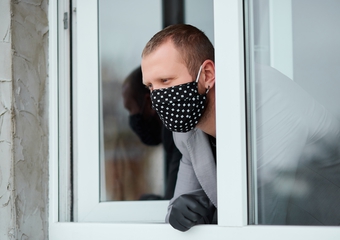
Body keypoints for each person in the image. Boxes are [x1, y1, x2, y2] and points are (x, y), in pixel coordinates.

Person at [141, 24, 340, 231]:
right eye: (151, 86)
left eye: (165, 80)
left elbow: (260, 216)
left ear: (207, 74)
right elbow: (186, 199)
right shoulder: (186, 128)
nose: (157, 97)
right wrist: (179, 213)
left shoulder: (265, 98)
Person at [122, 66, 182, 200]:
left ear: (149, 103)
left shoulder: (175, 133)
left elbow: (175, 203)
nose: (131, 117)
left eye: (131, 108)